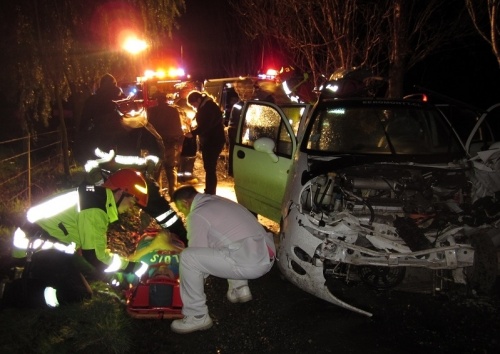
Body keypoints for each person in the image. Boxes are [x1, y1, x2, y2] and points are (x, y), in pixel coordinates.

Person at [6, 169, 150, 308]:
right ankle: (12, 292)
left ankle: (26, 275)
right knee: (78, 294)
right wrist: (131, 267)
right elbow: (95, 256)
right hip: (35, 250)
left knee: (86, 275)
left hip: (38, 244)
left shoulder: (94, 198)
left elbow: (89, 252)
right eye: (132, 201)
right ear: (121, 192)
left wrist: (110, 272)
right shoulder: (95, 209)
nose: (131, 207)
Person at [170, 186, 276, 334]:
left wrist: (186, 278)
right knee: (221, 240)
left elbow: (197, 252)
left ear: (184, 203)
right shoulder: (219, 201)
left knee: (188, 258)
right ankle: (239, 288)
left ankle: (197, 315)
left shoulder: (197, 214)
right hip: (265, 253)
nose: (183, 213)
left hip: (251, 263)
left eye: (181, 209)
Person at [147, 92, 185, 200]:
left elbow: (149, 128)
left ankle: (157, 194)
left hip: (156, 144)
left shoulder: (151, 111)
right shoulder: (173, 111)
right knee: (171, 168)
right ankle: (173, 193)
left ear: (157, 100)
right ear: (165, 100)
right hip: (170, 143)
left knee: (156, 170)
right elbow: (178, 128)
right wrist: (180, 142)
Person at [186, 91, 226, 194]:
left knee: (210, 167)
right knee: (209, 167)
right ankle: (209, 190)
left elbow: (207, 125)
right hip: (211, 140)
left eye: (193, 104)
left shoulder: (208, 107)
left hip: (213, 141)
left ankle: (210, 191)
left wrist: (193, 133)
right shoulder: (206, 106)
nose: (193, 106)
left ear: (199, 100)